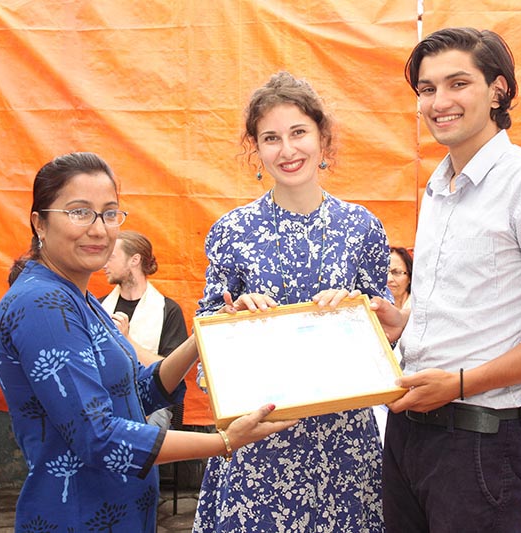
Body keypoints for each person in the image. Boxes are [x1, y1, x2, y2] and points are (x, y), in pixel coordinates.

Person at [369, 28, 521, 532]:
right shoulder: (439, 186)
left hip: (480, 446)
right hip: (408, 433)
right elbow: (475, 311)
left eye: (458, 83)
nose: (439, 102)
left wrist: (459, 384)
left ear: (498, 90)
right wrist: (402, 324)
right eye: (427, 89)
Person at [0, 152, 295, 532]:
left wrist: (205, 333)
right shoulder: (42, 303)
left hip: (120, 514)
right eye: (79, 212)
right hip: (76, 518)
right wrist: (224, 441)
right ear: (40, 222)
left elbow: (137, 392)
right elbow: (98, 437)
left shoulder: (80, 297)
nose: (99, 229)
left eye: (109, 213)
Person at [192, 71, 391, 533]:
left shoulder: (362, 227)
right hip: (260, 443)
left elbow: (387, 336)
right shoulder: (231, 231)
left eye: (298, 133)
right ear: (255, 149)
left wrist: (358, 312)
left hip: (344, 442)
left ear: (323, 139)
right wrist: (235, 319)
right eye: (271, 138)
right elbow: (207, 342)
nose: (287, 150)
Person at [101, 230, 188, 429]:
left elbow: (173, 369)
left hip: (152, 402)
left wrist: (127, 342)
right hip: (105, 398)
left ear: (135, 260)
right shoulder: (99, 307)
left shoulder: (167, 309)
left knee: (144, 427)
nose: (104, 264)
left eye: (111, 257)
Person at [387, 246, 413, 310]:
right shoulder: (367, 308)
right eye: (383, 272)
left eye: (397, 272)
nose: (389, 279)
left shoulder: (419, 308)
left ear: (409, 277)